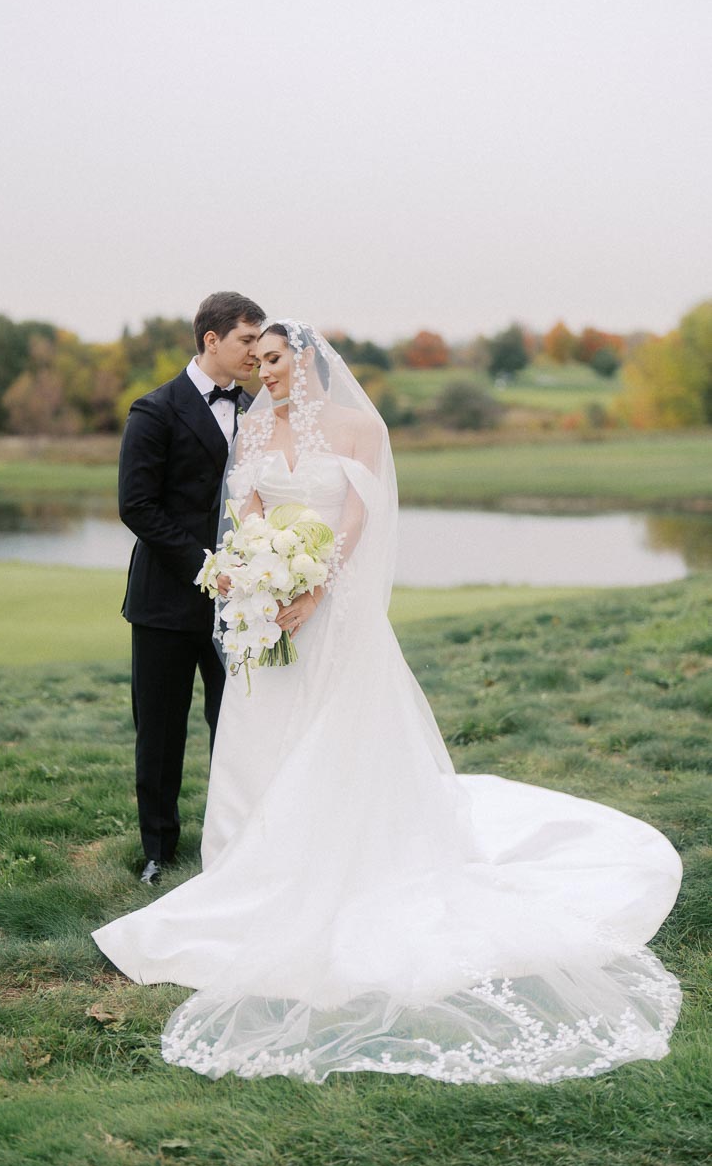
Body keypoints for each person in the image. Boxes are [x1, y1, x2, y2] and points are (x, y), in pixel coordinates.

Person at [94, 320, 682, 1083]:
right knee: (260, 732)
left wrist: (316, 586)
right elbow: (250, 515)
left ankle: (344, 858)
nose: (263, 371)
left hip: (335, 615)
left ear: (304, 361)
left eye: (274, 359)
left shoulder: (354, 426)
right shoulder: (253, 426)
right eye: (257, 359)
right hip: (272, 612)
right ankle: (247, 866)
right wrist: (265, 578)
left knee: (340, 739)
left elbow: (357, 518)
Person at [118, 291, 265, 885]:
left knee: (236, 724)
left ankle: (236, 840)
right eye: (247, 341)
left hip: (245, 601)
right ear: (212, 340)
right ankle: (158, 850)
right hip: (167, 598)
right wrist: (206, 566)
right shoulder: (154, 410)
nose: (256, 352)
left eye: (261, 342)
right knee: (159, 728)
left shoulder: (261, 412)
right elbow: (137, 506)